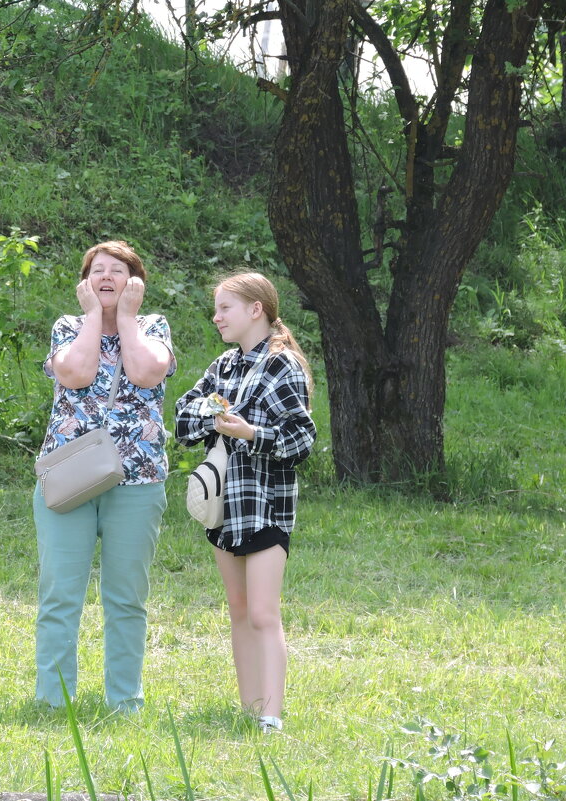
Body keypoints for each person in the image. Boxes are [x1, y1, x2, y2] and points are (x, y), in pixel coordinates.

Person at [33, 240, 176, 712]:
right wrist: (95, 317)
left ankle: (125, 700)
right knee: (60, 595)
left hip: (138, 481)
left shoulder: (153, 327)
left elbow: (146, 372)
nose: (107, 277)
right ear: (85, 283)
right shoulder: (67, 328)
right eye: (97, 271)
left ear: (135, 283)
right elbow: (75, 373)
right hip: (68, 479)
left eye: (118, 270)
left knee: (126, 598)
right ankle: (54, 701)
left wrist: (128, 320)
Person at [174, 272, 315, 734]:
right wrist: (219, 421)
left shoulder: (283, 364)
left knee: (261, 613)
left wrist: (250, 433)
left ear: (256, 309)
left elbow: (301, 439)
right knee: (237, 610)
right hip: (224, 504)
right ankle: (250, 708)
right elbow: (184, 414)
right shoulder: (225, 365)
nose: (216, 318)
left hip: (266, 504)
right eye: (216, 309)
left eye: (224, 309)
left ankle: (271, 716)